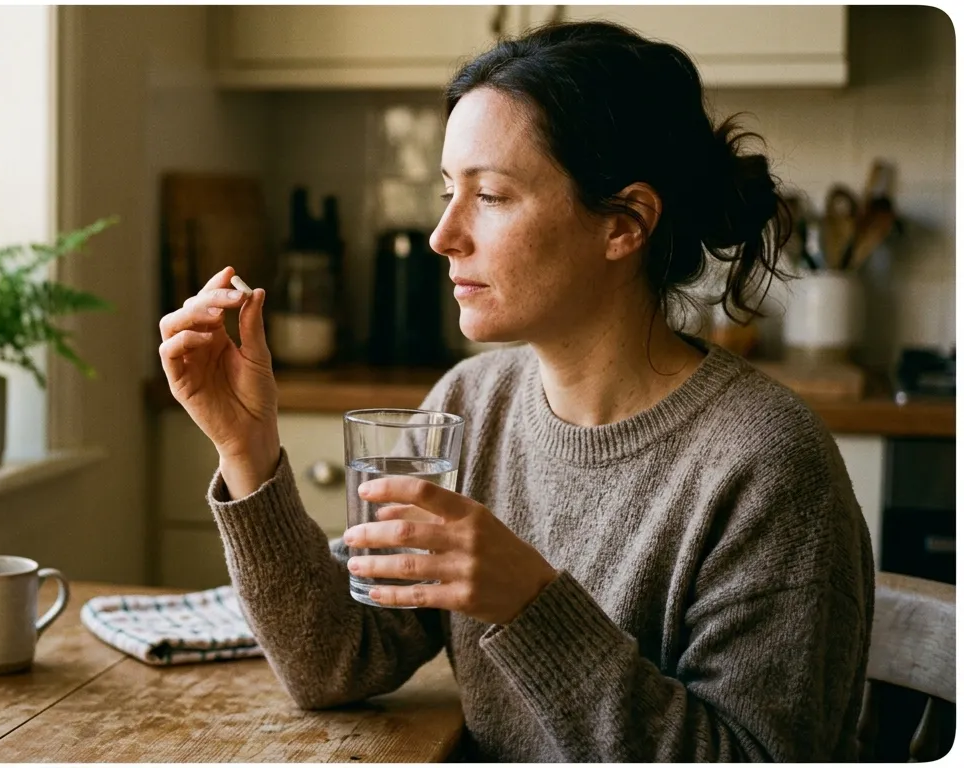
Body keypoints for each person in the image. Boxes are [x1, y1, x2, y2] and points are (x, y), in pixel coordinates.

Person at [156, 20, 874, 762]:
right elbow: (336, 661)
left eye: (491, 196)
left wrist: (532, 605)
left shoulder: (767, 465)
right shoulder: (470, 402)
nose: (441, 235)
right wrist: (247, 450)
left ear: (625, 223)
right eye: (447, 191)